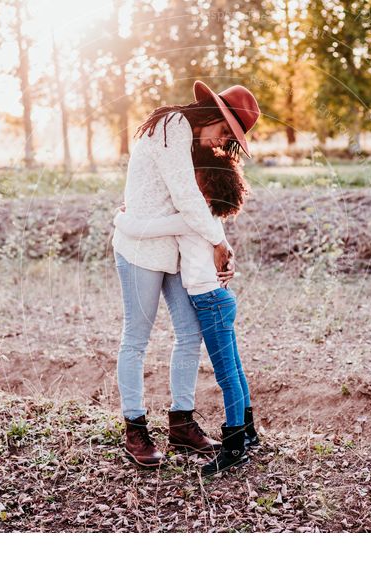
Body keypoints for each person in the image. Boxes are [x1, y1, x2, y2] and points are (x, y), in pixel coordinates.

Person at [112, 80, 260, 469]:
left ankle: (181, 422)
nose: (220, 142)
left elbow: (202, 207)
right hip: (140, 248)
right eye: (224, 132)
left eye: (229, 138)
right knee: (136, 338)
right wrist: (218, 243)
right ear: (211, 115)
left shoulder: (191, 142)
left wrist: (219, 245)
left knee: (190, 333)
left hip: (172, 248)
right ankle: (135, 427)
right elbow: (184, 196)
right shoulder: (173, 126)